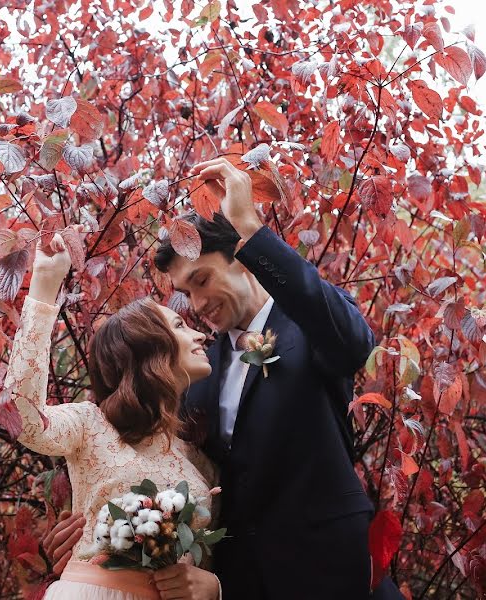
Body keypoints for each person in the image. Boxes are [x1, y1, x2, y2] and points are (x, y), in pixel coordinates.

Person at [49, 158, 403, 599]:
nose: (196, 303)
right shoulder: (198, 372)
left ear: (244, 260)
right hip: (242, 586)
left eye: (201, 279)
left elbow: (354, 345)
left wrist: (251, 229)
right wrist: (96, 522)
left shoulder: (311, 326)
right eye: (185, 292)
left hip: (336, 576)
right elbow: (151, 457)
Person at [6, 230, 222, 600]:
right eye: (180, 326)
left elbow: (205, 557)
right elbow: (24, 420)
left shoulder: (197, 458)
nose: (200, 335)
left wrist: (213, 588)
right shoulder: (90, 424)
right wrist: (43, 286)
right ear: (149, 346)